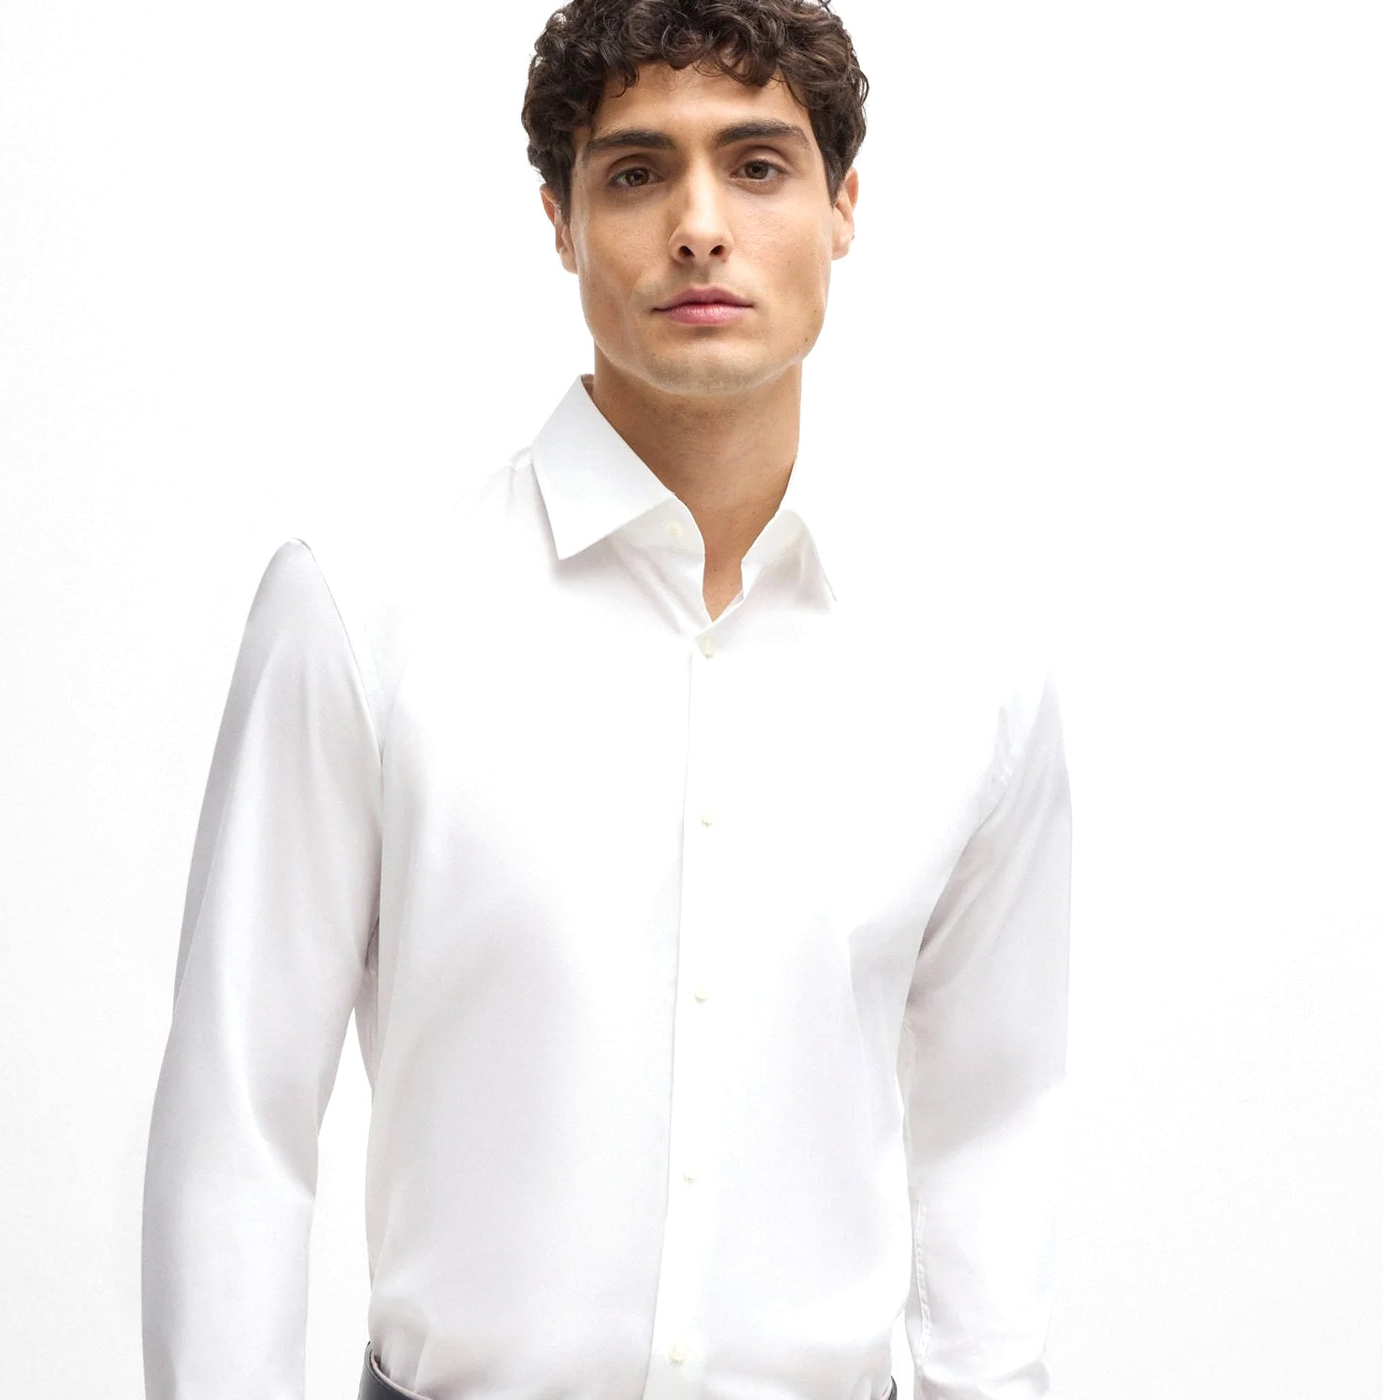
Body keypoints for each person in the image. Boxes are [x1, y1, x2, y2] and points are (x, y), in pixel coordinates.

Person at [140, 1, 1073, 1397]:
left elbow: (993, 1120)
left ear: (843, 206)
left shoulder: (969, 659)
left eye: (757, 166)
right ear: (561, 222)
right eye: (637, 172)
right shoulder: (361, 608)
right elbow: (240, 1115)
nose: (700, 226)